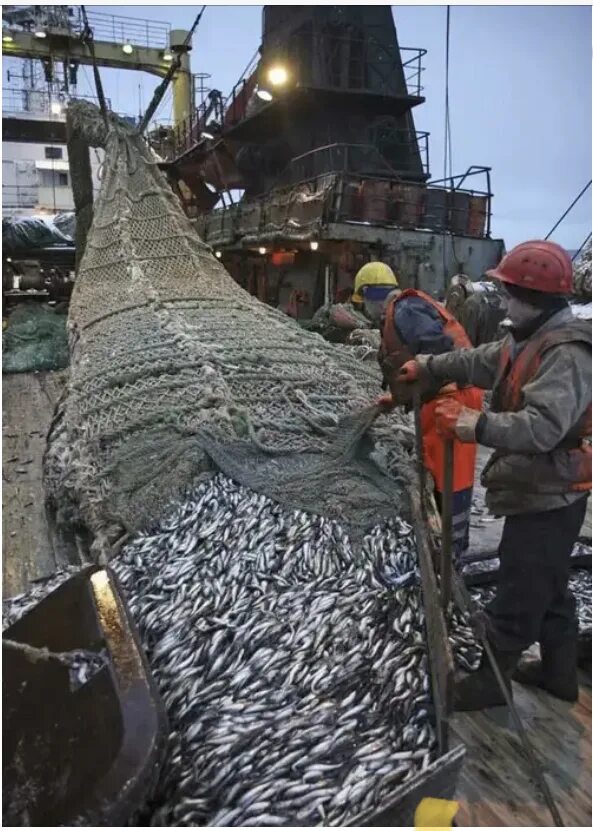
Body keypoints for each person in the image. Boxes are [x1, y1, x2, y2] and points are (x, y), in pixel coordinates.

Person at [396, 240, 592, 710]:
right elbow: (478, 361)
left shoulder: (567, 353)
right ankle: (560, 673)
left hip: (554, 489)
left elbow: (543, 428)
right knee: (548, 582)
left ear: (535, 298)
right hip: (536, 483)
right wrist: (427, 364)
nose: (503, 301)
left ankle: (490, 684)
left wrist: (475, 425)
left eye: (509, 293)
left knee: (519, 587)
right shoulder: (525, 337)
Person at [377, 287, 483, 563]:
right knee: (435, 471)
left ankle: (452, 553)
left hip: (453, 399)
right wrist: (397, 398)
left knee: (451, 477)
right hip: (439, 398)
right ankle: (440, 541)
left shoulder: (406, 309)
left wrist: (415, 381)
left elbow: (436, 350)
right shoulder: (404, 311)